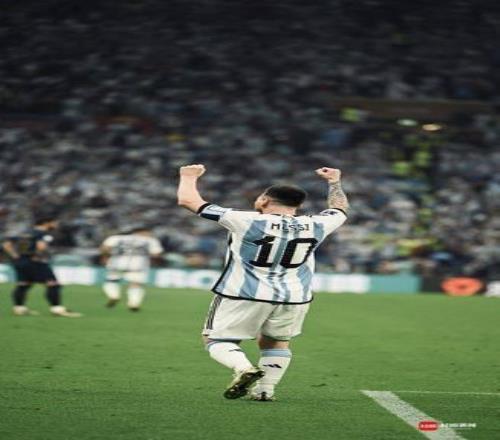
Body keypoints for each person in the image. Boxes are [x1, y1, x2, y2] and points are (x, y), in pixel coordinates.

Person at [177, 164, 349, 401]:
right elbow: (339, 208)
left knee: (216, 339)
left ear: (265, 200)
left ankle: (243, 368)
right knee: (276, 342)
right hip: (294, 296)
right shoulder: (317, 223)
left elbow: (188, 201)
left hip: (243, 293)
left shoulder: (244, 219)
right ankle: (265, 390)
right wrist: (334, 181)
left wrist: (188, 176)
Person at [2, 213, 82, 317]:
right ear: (46, 223)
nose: (56, 225)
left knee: (23, 284)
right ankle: (57, 309)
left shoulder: (25, 232)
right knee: (53, 284)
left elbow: (6, 244)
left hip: (21, 261)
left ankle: (19, 308)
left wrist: (15, 256)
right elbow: (41, 246)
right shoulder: (42, 234)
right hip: (35, 261)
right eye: (54, 223)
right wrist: (38, 255)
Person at [100, 227, 163, 311]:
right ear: (141, 232)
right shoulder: (150, 240)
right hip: (138, 265)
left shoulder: (115, 238)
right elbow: (156, 254)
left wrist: (105, 257)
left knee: (111, 280)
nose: (150, 234)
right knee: (136, 284)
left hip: (116, 263)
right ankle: (134, 303)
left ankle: (113, 295)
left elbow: (105, 248)